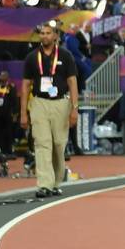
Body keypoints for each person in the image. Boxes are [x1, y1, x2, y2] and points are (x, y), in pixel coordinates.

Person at [20, 22, 79, 197]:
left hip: (61, 103)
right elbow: (25, 86)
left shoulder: (66, 56)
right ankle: (44, 184)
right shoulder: (32, 57)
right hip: (39, 103)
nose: (44, 36)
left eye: (48, 33)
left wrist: (74, 109)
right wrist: (23, 112)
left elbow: (72, 82)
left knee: (59, 144)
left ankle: (55, 182)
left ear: (55, 36)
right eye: (42, 33)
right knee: (42, 143)